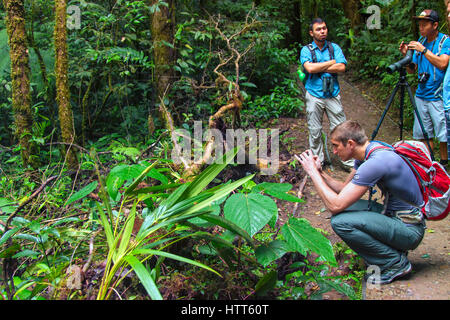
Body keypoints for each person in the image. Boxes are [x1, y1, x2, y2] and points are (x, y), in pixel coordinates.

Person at [297, 120, 426, 285]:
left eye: (336, 146)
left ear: (350, 144)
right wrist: (320, 173)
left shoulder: (375, 163)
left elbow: (335, 204)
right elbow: (344, 189)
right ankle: (391, 251)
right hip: (398, 218)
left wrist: (312, 173)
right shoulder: (370, 151)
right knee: (346, 209)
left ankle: (394, 263)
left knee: (341, 222)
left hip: (409, 230)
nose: (334, 151)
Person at [300, 18, 353, 170]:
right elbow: (309, 69)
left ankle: (348, 162)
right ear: (311, 33)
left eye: (324, 28)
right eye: (318, 29)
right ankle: (318, 163)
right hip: (314, 95)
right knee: (315, 131)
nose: (322, 31)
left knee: (341, 130)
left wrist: (318, 67)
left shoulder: (333, 47)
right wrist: (331, 63)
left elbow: (342, 67)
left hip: (332, 94)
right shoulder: (306, 50)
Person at [399, 9, 450, 166]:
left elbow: (442, 63)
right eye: (420, 24)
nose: (421, 27)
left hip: (438, 96)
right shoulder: (421, 40)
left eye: (425, 24)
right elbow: (412, 69)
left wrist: (424, 50)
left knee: (443, 135)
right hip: (421, 95)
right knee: (423, 133)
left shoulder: (445, 41)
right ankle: (428, 163)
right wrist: (406, 56)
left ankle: (443, 163)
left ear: (435, 25)